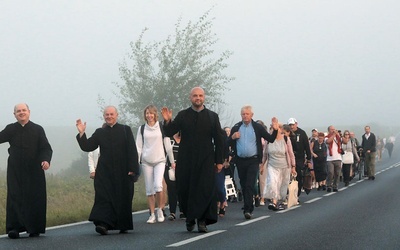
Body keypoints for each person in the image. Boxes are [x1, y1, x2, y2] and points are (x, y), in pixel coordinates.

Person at [161, 87, 224, 233]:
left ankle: (202, 221)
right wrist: (167, 121)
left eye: (200, 95)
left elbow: (219, 140)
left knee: (204, 190)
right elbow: (170, 132)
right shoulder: (183, 115)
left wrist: (219, 161)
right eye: (195, 96)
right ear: (190, 97)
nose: (198, 98)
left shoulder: (212, 116)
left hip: (206, 159)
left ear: (204, 97)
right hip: (186, 159)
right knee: (185, 189)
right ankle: (189, 218)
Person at [76, 106, 139, 235]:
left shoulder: (125, 130)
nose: (109, 116)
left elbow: (132, 150)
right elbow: (88, 146)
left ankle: (122, 224)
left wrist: (133, 169)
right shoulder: (100, 132)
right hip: (105, 172)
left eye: (111, 114)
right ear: (104, 116)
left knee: (123, 198)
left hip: (123, 171)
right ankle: (103, 224)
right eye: (106, 114)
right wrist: (82, 133)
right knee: (103, 197)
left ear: (117, 115)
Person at [0, 103, 53, 239]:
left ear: (29, 112)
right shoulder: (11, 129)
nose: (21, 113)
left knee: (35, 197)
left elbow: (45, 148)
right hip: (15, 170)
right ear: (14, 114)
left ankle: (34, 228)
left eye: (24, 110)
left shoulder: (37, 129)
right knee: (15, 197)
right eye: (18, 111)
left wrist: (46, 160)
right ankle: (14, 229)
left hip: (34, 169)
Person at [229, 105, 278, 219]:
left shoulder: (257, 127)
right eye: (243, 114)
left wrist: (275, 130)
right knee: (243, 185)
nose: (245, 116)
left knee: (250, 184)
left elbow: (270, 139)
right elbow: (228, 144)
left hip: (253, 160)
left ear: (252, 115)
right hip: (240, 160)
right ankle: (249, 205)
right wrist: (232, 137)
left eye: (247, 114)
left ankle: (247, 209)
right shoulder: (236, 127)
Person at [136, 105, 175, 224]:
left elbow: (168, 145)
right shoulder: (142, 129)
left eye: (151, 113)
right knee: (149, 189)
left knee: (158, 186)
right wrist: (137, 162)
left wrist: (172, 162)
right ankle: (152, 214)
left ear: (155, 115)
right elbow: (138, 147)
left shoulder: (161, 127)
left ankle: (160, 209)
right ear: (145, 115)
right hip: (146, 161)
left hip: (160, 160)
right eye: (147, 113)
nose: (149, 115)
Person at [262, 123, 296, 211]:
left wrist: (293, 166)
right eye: (272, 129)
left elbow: (291, 153)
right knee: (273, 183)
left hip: (284, 165)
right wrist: (262, 165)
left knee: (282, 185)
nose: (273, 130)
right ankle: (274, 202)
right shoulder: (268, 140)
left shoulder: (286, 139)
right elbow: (265, 154)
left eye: (275, 128)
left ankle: (280, 201)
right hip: (272, 165)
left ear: (280, 129)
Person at [287, 118, 312, 199]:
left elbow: (307, 146)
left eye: (293, 125)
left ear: (296, 124)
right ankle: (289, 194)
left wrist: (308, 159)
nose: (291, 127)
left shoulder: (302, 133)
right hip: (289, 158)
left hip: (299, 158)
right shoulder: (287, 134)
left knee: (298, 176)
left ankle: (297, 193)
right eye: (290, 125)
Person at [164, 132, 185, 220]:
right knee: (171, 189)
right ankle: (172, 212)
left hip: (183, 168)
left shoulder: (186, 140)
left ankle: (183, 211)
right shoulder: (169, 139)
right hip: (170, 168)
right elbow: (167, 152)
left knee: (182, 189)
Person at [325, 125, 342, 192]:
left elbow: (344, 141)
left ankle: (335, 185)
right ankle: (329, 185)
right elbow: (328, 141)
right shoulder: (326, 137)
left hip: (338, 158)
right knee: (330, 172)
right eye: (332, 129)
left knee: (337, 173)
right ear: (329, 130)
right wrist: (334, 134)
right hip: (330, 158)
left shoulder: (338, 137)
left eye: (334, 129)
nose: (333, 130)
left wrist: (338, 134)